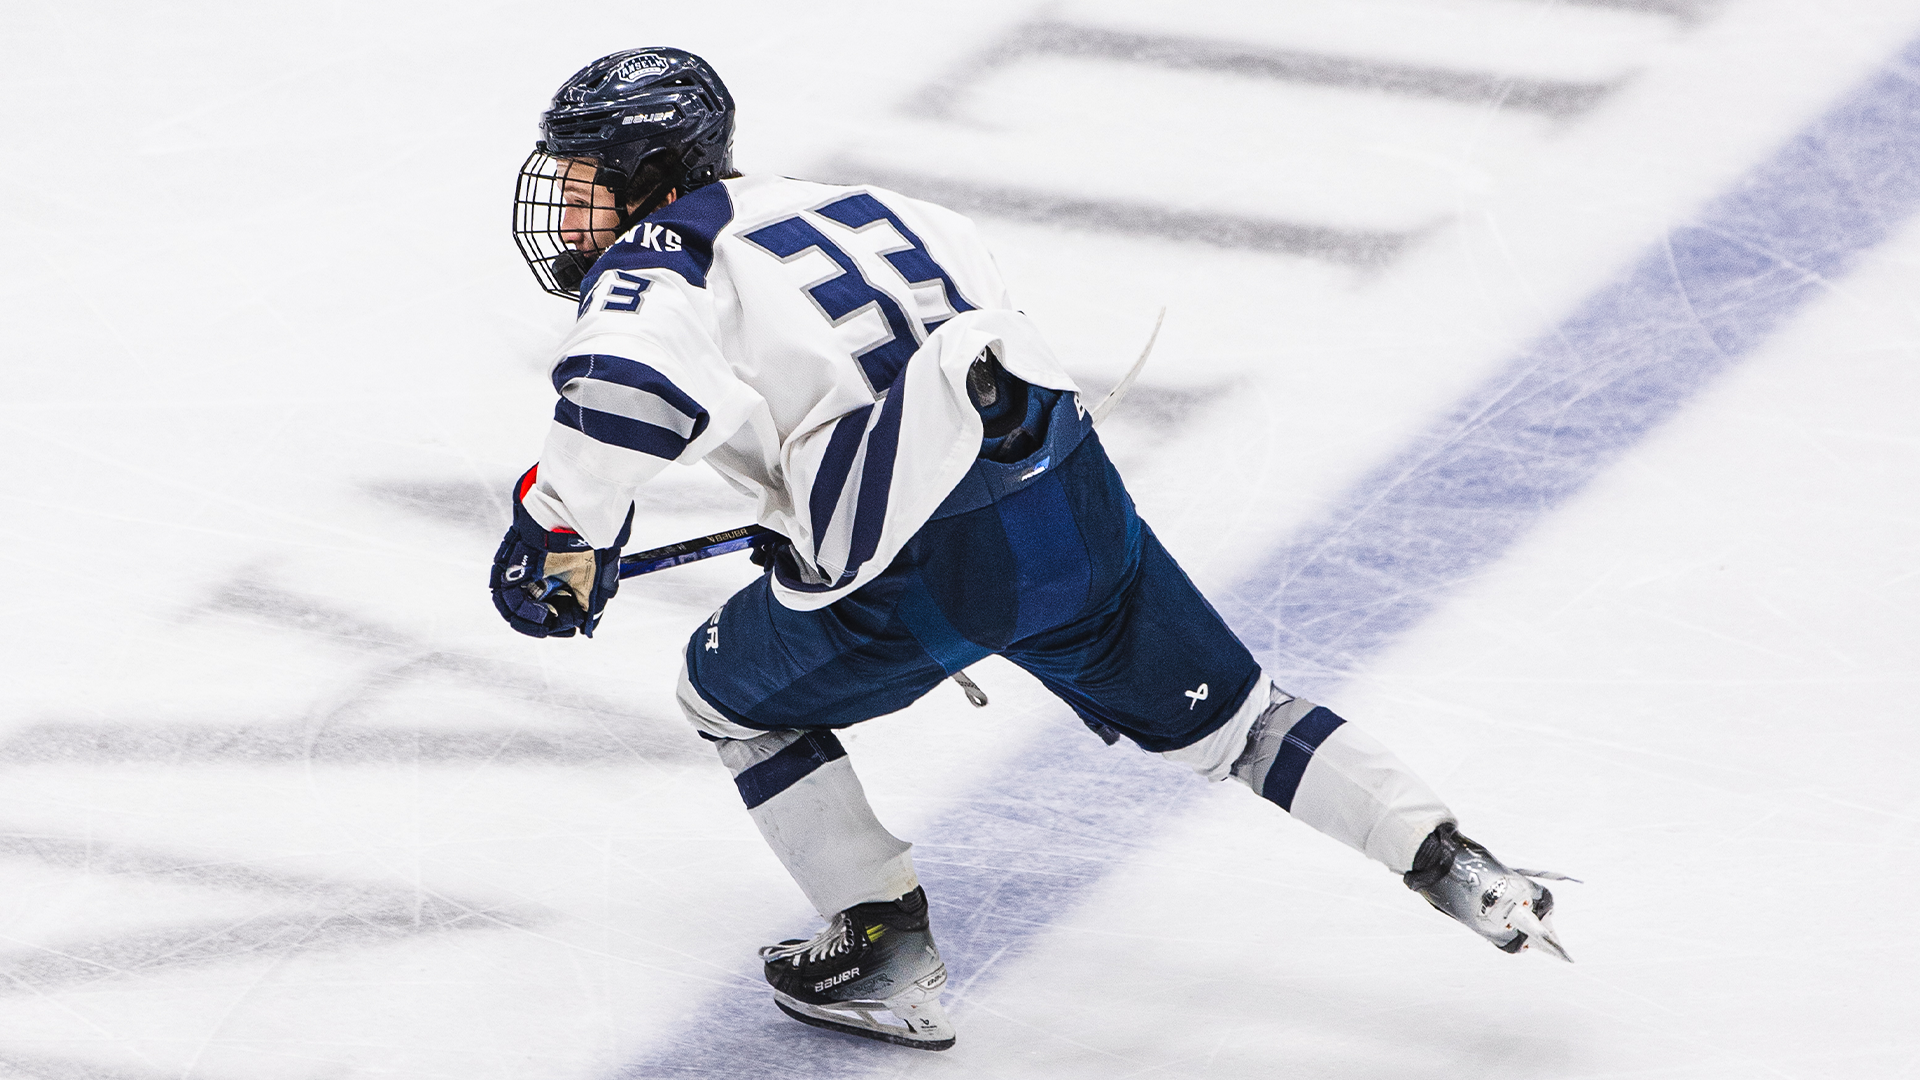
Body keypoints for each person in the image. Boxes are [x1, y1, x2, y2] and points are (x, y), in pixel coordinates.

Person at [488, 46, 1571, 1052]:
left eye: (585, 178)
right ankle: (1452, 861)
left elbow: (623, 397)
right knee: (1246, 722)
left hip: (924, 567)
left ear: (650, 174)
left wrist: (557, 536)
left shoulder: (662, 256)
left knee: (725, 694)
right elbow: (941, 363)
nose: (569, 207)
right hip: (1073, 506)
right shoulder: (870, 204)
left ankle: (882, 947)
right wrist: (813, 497)